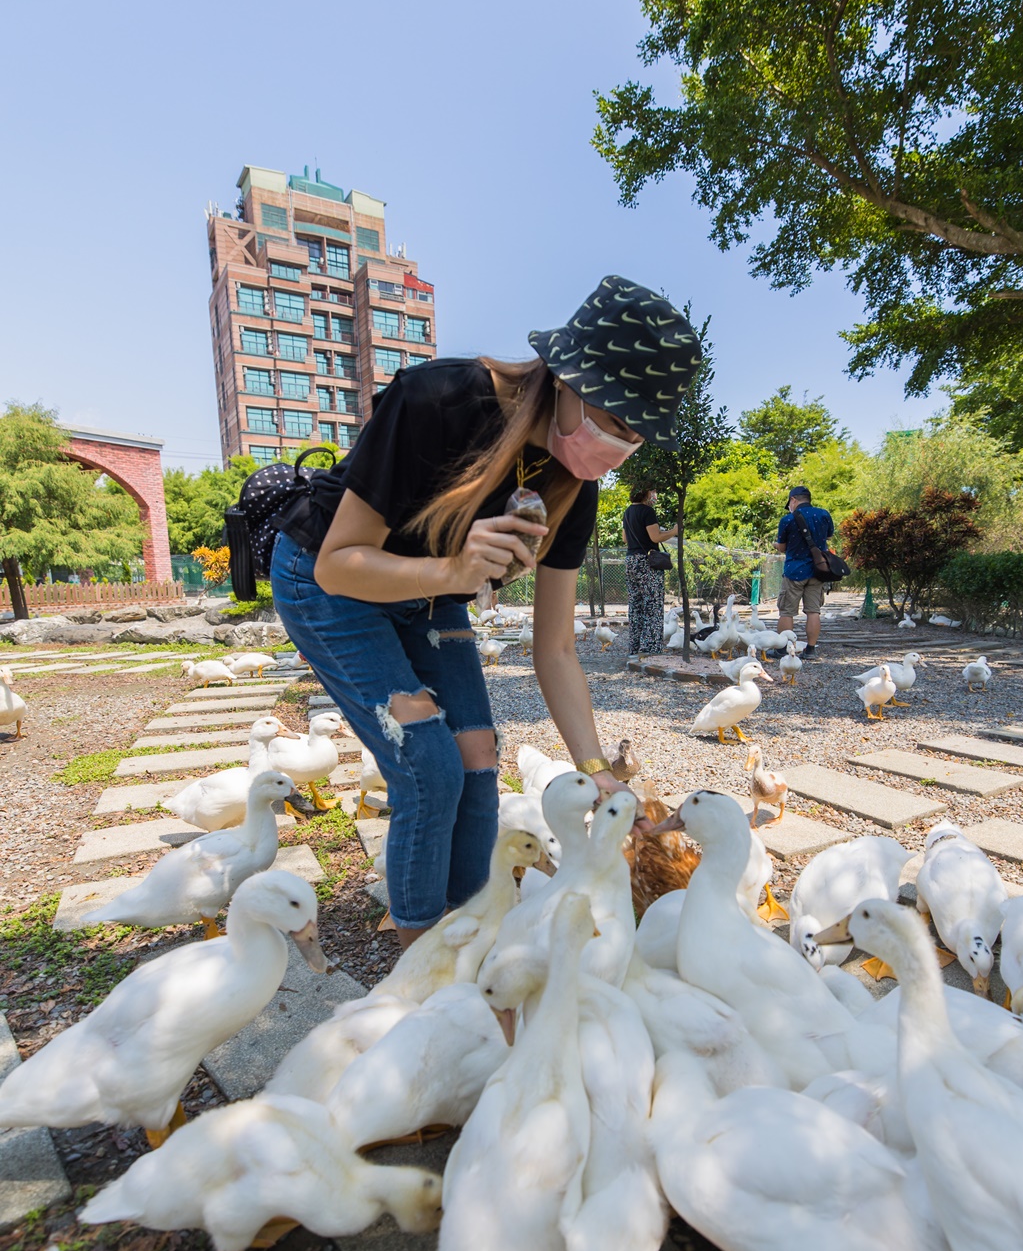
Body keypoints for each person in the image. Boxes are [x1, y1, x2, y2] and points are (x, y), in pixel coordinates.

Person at [270, 275, 701, 948]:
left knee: (478, 757)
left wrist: (596, 770)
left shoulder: (575, 486)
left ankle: (470, 936)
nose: (619, 449)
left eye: (637, 437)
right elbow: (338, 562)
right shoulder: (440, 400)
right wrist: (453, 572)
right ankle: (425, 972)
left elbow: (555, 648)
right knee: (429, 768)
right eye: (616, 423)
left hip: (429, 593)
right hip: (329, 578)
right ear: (569, 377)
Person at [775, 484, 838, 657]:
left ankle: (783, 649)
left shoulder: (788, 520)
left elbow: (782, 547)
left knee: (787, 611)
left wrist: (776, 545)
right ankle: (810, 649)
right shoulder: (824, 514)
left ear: (793, 500)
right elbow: (829, 536)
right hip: (818, 571)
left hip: (794, 571)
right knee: (813, 611)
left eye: (789, 503)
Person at [623, 486, 678, 656]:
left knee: (636, 605)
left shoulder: (627, 512)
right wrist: (674, 531)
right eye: (652, 492)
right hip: (647, 562)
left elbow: (625, 538)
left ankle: (635, 646)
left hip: (631, 560)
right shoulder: (647, 511)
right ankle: (650, 648)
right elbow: (656, 537)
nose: (654, 495)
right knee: (652, 604)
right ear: (646, 493)